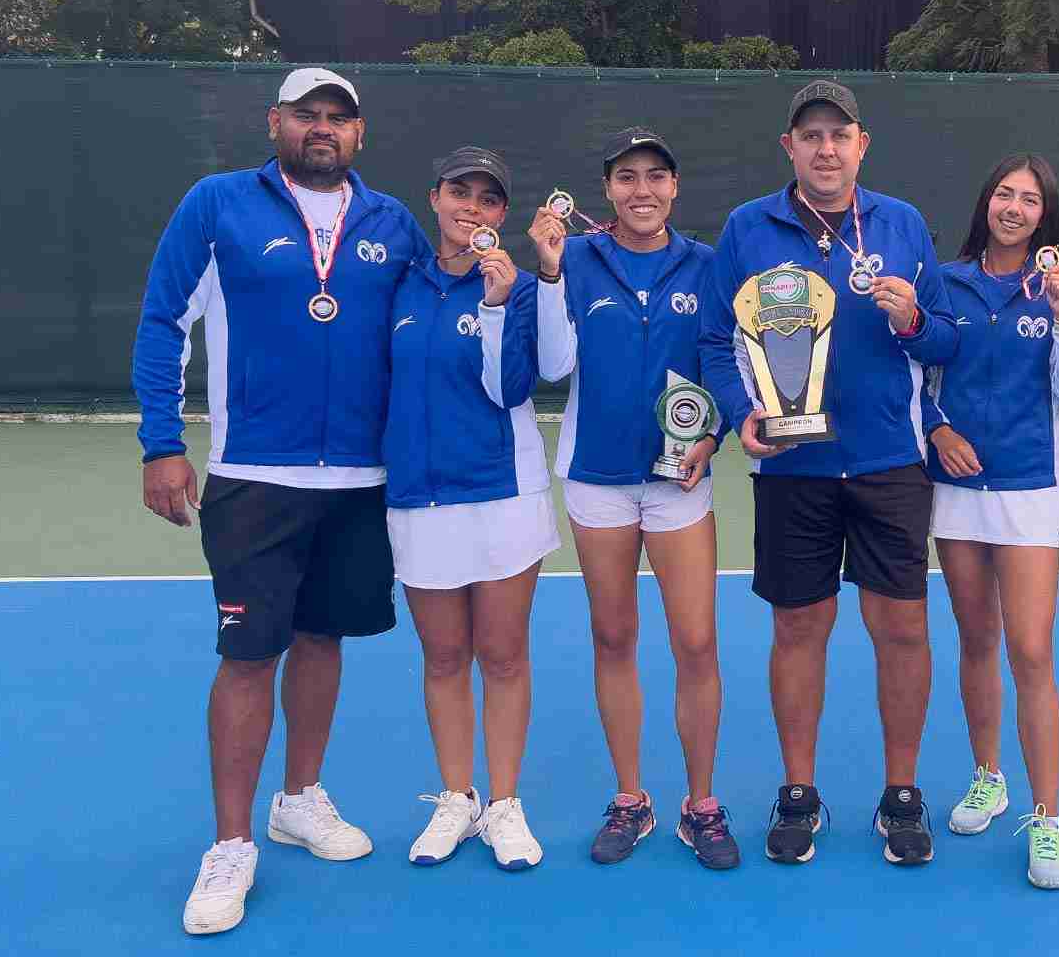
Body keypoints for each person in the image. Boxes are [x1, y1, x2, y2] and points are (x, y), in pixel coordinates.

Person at [132, 69, 427, 935]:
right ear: (277, 123)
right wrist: (161, 442)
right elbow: (163, 321)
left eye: (339, 117)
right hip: (256, 475)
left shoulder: (392, 223)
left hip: (360, 482)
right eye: (308, 115)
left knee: (323, 638)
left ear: (360, 134)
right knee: (250, 656)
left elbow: (426, 330)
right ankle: (229, 844)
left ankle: (299, 799)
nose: (323, 128)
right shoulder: (218, 204)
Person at [698, 80, 957, 867]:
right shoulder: (748, 227)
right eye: (810, 135)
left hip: (888, 464)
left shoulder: (903, 224)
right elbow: (716, 341)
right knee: (799, 628)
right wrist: (741, 409)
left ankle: (902, 793)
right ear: (790, 148)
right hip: (792, 469)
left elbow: (944, 342)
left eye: (838, 135)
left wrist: (911, 317)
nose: (825, 148)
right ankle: (799, 791)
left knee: (902, 630)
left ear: (861, 144)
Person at [525, 129, 738, 870]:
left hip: (680, 480)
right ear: (608, 190)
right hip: (598, 479)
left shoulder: (708, 265)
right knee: (614, 638)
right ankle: (630, 799)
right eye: (626, 178)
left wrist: (718, 431)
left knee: (696, 642)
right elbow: (553, 364)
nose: (641, 190)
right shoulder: (576, 259)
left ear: (674, 187)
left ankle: (701, 804)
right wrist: (549, 275)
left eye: (655, 176)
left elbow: (724, 360)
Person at [384, 147, 558, 871]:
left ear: (500, 218)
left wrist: (492, 306)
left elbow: (513, 388)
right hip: (419, 498)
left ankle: (506, 805)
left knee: (503, 654)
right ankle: (458, 798)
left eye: (489, 200)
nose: (473, 209)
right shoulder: (398, 283)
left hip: (502, 496)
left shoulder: (513, 290)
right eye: (461, 192)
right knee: (445, 655)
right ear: (435, 197)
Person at [921, 155, 1059, 889]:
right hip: (955, 488)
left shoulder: (1056, 288)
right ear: (985, 202)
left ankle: (1047, 820)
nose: (1013, 207)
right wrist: (936, 430)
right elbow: (917, 374)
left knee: (1030, 649)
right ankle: (989, 776)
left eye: (1028, 199)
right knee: (977, 639)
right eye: (1003, 194)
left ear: (1044, 214)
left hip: (1028, 487)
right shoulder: (944, 280)